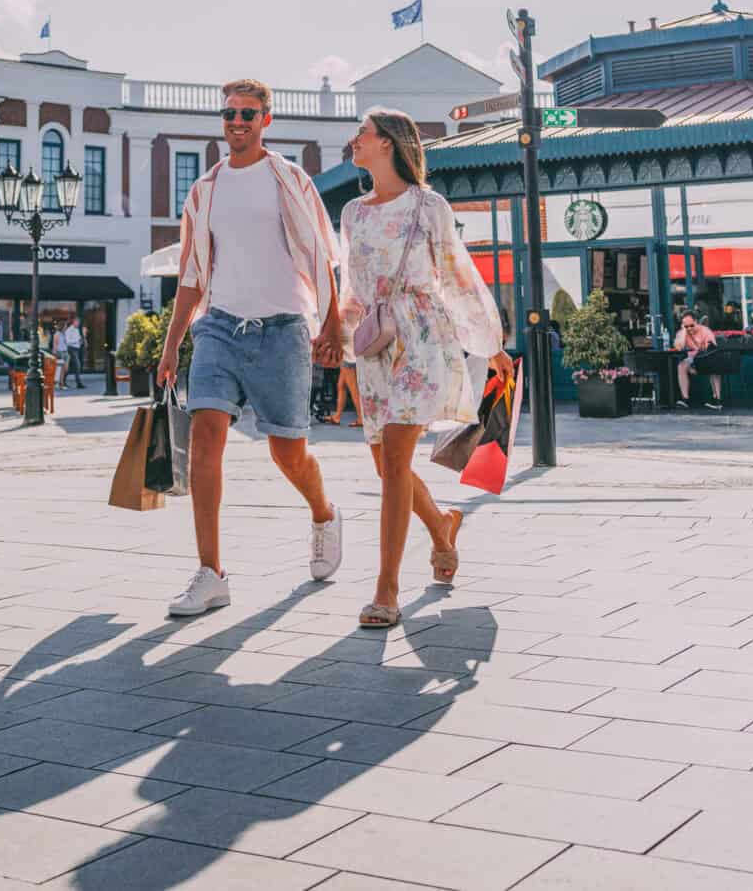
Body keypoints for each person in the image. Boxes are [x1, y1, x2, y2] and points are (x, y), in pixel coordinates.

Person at [157, 79, 344, 618]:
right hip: (217, 328)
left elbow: (321, 256)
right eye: (229, 114)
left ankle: (324, 512)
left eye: (247, 113)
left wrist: (330, 324)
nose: (236, 122)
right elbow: (191, 274)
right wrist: (172, 346)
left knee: (288, 452)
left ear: (266, 119)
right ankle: (211, 573)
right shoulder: (205, 191)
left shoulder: (289, 179)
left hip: (283, 330)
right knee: (206, 435)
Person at [336, 109, 512, 629]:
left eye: (361, 134)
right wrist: (341, 343)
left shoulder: (428, 205)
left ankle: (386, 590)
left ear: (388, 143)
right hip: (374, 344)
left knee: (393, 460)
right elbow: (351, 286)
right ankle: (442, 526)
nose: (354, 141)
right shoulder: (353, 212)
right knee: (384, 464)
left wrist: (489, 344)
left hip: (421, 338)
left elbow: (458, 278)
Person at [674, 310, 719, 409]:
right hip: (692, 360)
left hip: (706, 358)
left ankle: (716, 399)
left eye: (691, 325)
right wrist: (684, 332)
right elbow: (679, 347)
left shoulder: (705, 330)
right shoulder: (682, 333)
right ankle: (685, 399)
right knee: (681, 366)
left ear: (696, 322)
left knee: (714, 367)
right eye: (686, 326)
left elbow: (710, 348)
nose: (689, 328)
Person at [321, 362, 362, 427]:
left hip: (348, 359)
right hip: (347, 358)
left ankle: (361, 418)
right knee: (341, 385)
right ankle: (337, 416)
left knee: (353, 388)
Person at [64, 315, 86, 387]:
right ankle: (78, 383)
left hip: (77, 349)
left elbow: (78, 339)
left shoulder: (77, 330)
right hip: (71, 349)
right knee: (77, 365)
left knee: (69, 367)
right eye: (77, 322)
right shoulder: (69, 330)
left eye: (79, 322)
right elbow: (68, 341)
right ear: (74, 322)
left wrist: (81, 341)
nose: (78, 323)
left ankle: (63, 380)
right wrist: (77, 341)